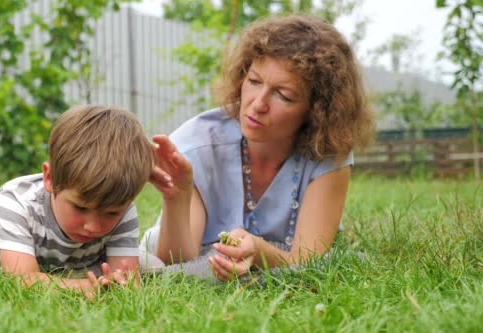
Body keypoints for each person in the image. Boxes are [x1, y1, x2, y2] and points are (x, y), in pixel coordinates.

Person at [143, 15, 375, 282]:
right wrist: (178, 196)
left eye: (283, 95)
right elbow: (177, 264)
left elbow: (310, 259)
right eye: (254, 81)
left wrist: (261, 253)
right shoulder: (198, 146)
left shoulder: (327, 154)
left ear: (317, 111)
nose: (257, 103)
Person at [0, 105, 153, 297]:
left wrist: (118, 282)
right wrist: (81, 286)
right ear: (50, 179)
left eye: (111, 213)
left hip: (60, 257)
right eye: (80, 207)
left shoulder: (124, 211)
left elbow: (127, 278)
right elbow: (21, 279)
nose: (92, 226)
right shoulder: (15, 203)